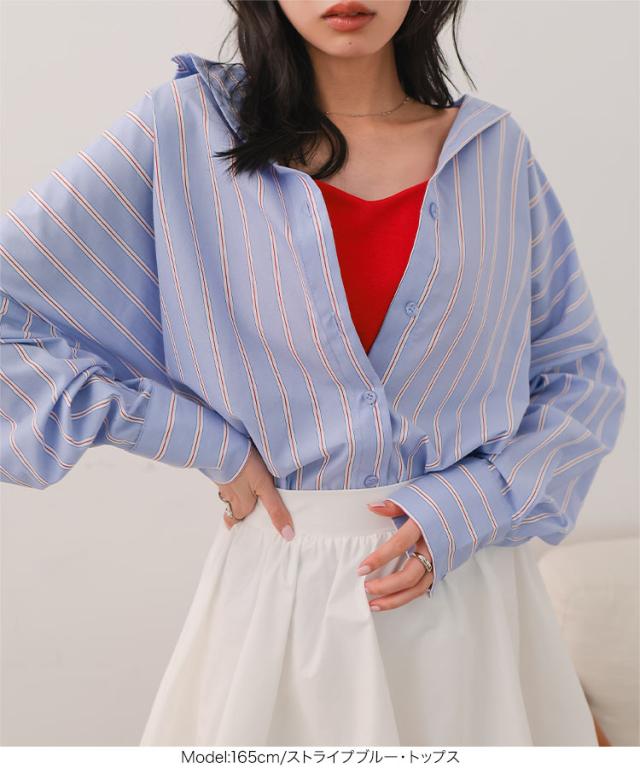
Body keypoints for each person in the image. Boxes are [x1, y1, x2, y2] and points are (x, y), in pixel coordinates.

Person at [0, 0, 626, 748]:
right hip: (285, 603)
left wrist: (474, 503)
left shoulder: (494, 154)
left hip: (477, 606)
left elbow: (580, 378)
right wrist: (198, 438)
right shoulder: (185, 130)